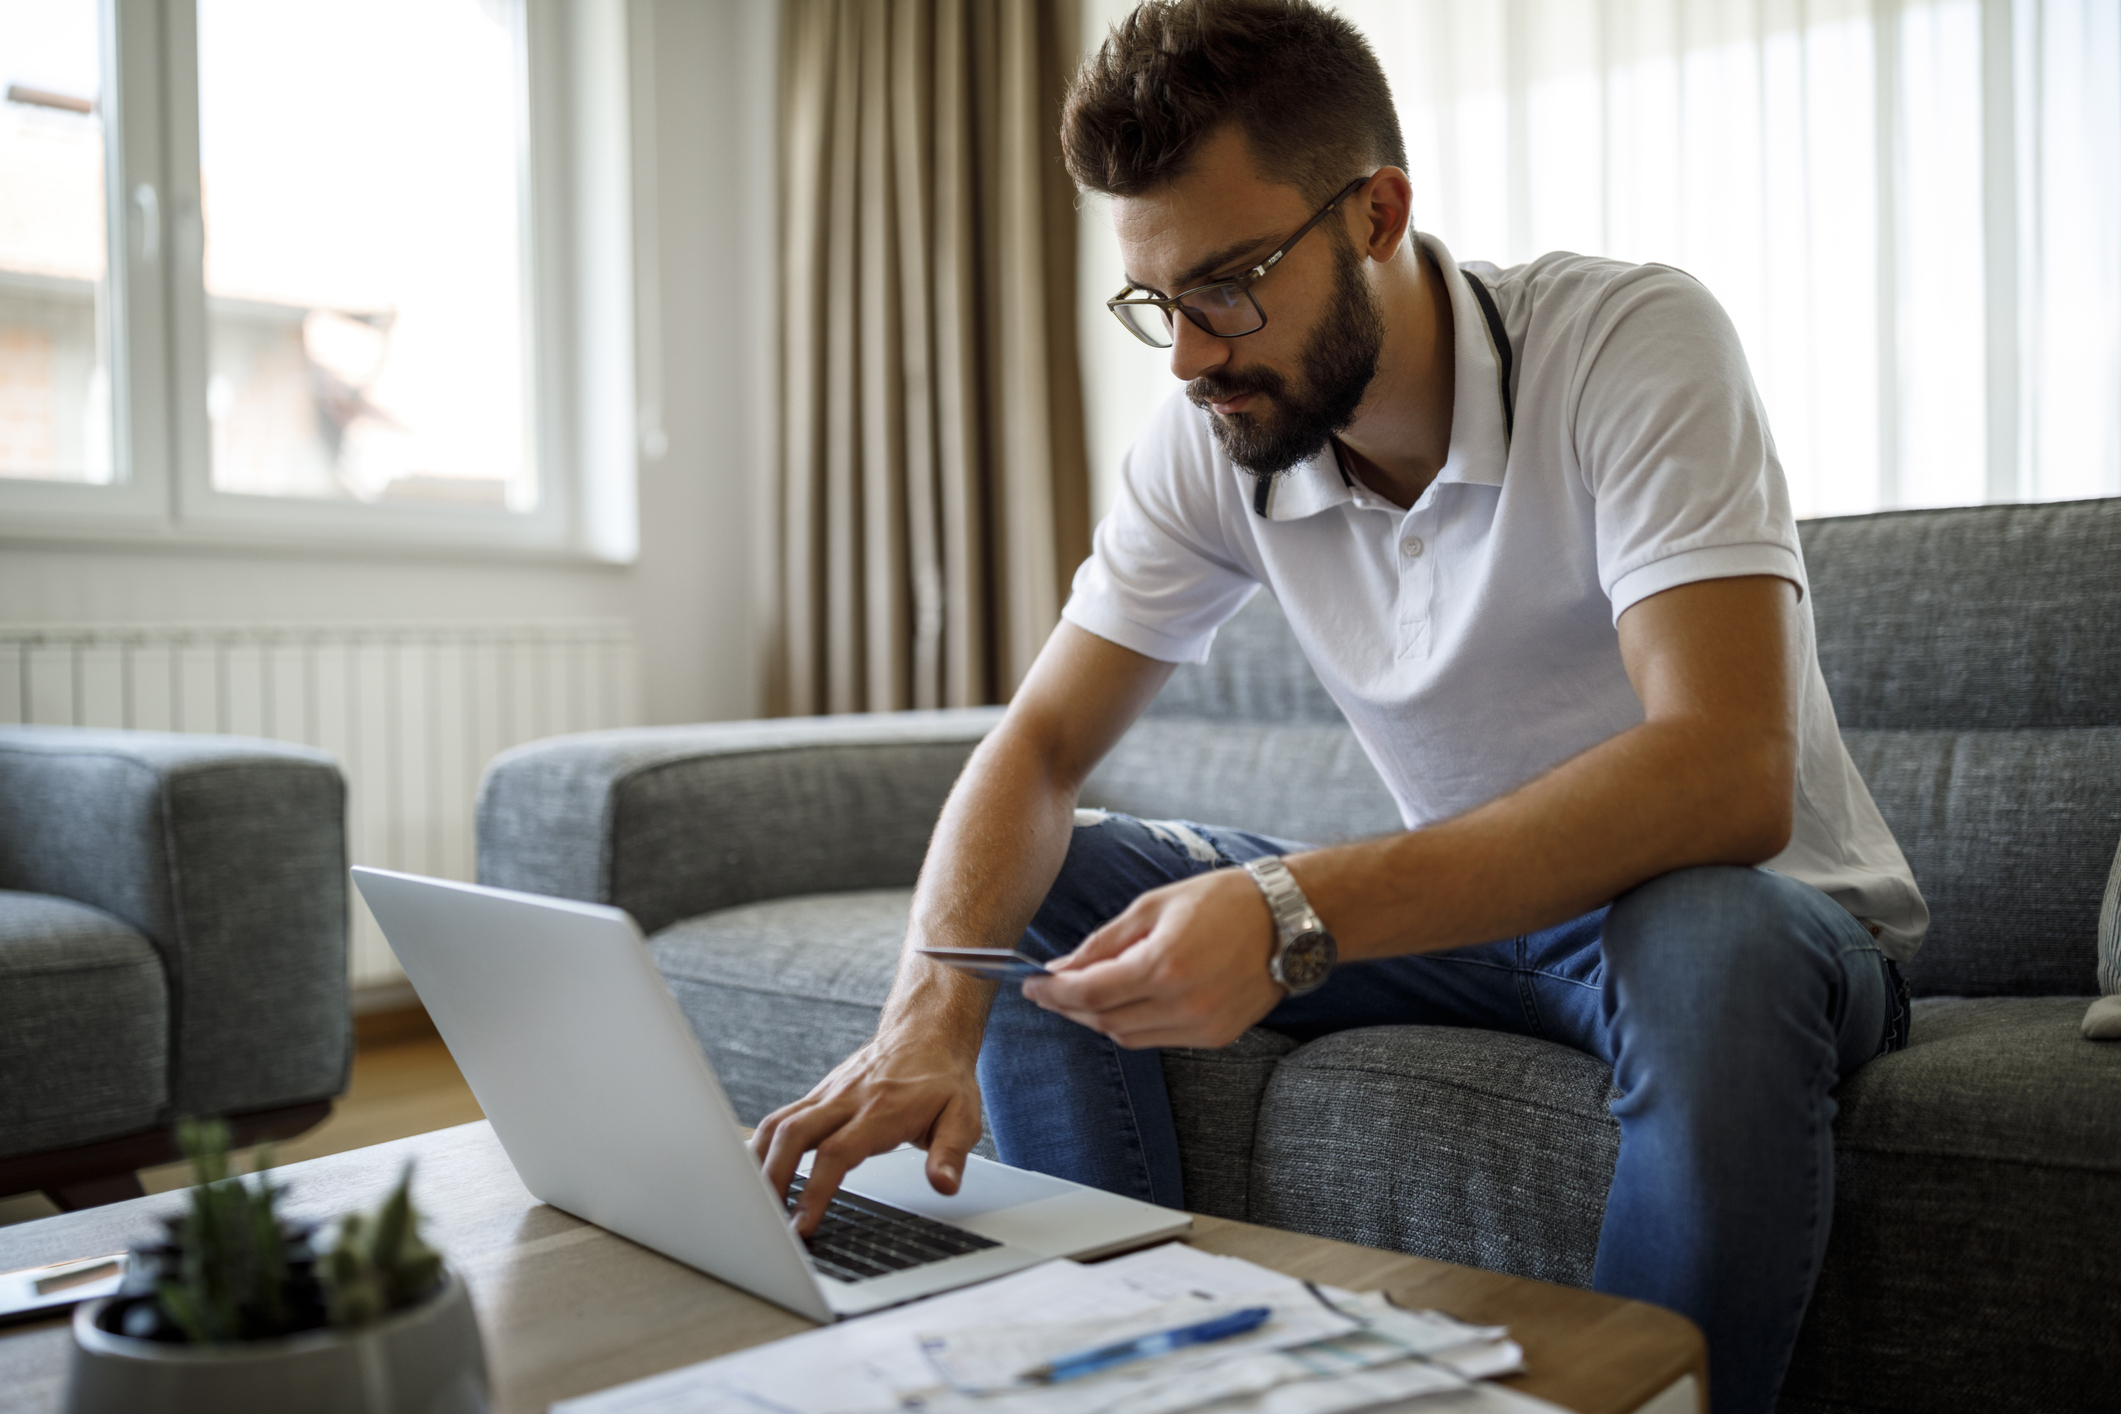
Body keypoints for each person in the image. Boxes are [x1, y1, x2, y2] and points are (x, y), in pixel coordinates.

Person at [750, 2, 1925, 1409]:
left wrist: (1294, 906)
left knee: (1704, 926)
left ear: (1376, 212)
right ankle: (1115, 1366)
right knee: (1059, 880)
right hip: (1484, 935)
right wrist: (927, 1010)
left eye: (1228, 284)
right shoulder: (1215, 437)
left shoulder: (1627, 340)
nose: (1189, 355)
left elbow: (1725, 772)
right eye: (1156, 303)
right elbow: (1040, 744)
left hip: (1750, 919)